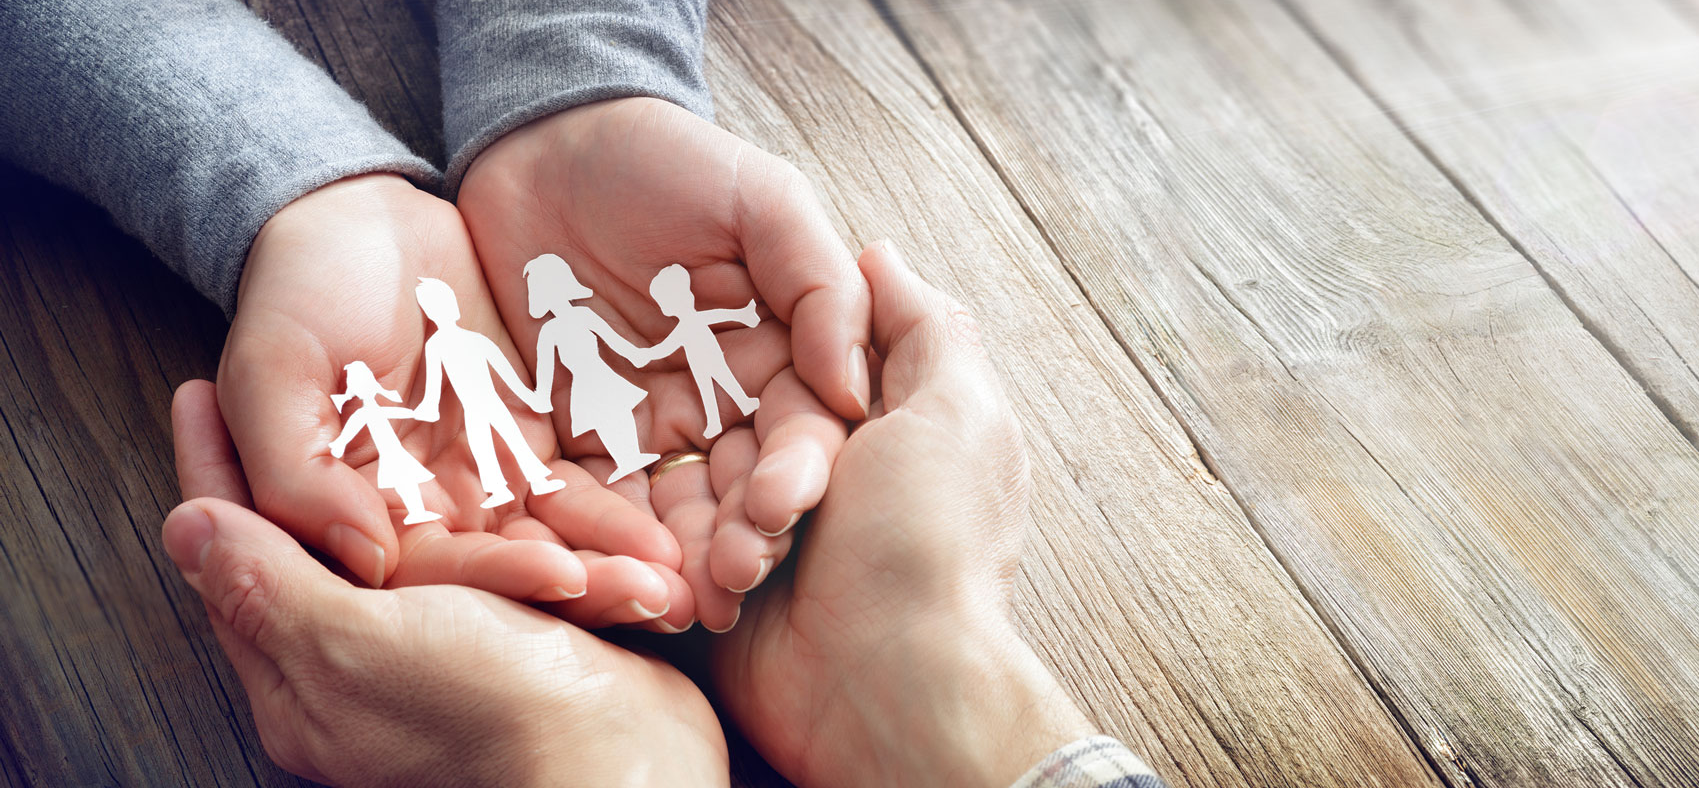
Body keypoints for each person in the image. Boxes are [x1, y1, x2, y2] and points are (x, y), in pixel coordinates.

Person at [4, 0, 1165, 783]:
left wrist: (570, 75)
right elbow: (540, 366)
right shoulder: (514, 345)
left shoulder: (551, 339)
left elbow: (572, 360)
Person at [165, 245, 1162, 787]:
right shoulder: (539, 338)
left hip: (584, 423)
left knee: (523, 465)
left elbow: (576, 355)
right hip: (563, 424)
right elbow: (544, 367)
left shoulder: (573, 326)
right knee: (520, 462)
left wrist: (587, 751)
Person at [414, 276, 570, 507]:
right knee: (483, 446)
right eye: (433, 307)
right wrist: (427, 406)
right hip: (475, 408)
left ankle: (537, 479)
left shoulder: (472, 340)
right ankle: (500, 489)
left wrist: (530, 397)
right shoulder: (437, 345)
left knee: (512, 440)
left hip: (490, 403)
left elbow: (507, 374)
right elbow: (434, 385)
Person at [524, 253, 662, 483]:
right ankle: (623, 459)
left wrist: (635, 354)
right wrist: (542, 395)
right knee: (602, 418)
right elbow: (545, 368)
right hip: (583, 382)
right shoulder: (549, 331)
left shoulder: (585, 315)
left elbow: (612, 338)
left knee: (620, 410)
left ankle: (632, 455)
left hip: (601, 372)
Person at [642, 263, 763, 440]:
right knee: (709, 387)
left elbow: (666, 347)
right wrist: (648, 354)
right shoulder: (685, 326)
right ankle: (718, 419)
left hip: (710, 356)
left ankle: (742, 404)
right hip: (698, 362)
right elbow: (666, 348)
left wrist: (742, 315)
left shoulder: (688, 323)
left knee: (723, 379)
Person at [328, 361, 443, 525]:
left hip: (395, 451)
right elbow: (351, 430)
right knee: (405, 482)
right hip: (391, 454)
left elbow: (396, 412)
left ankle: (417, 512)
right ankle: (417, 512)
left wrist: (415, 414)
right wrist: (340, 443)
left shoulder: (373, 410)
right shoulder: (363, 413)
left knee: (407, 482)